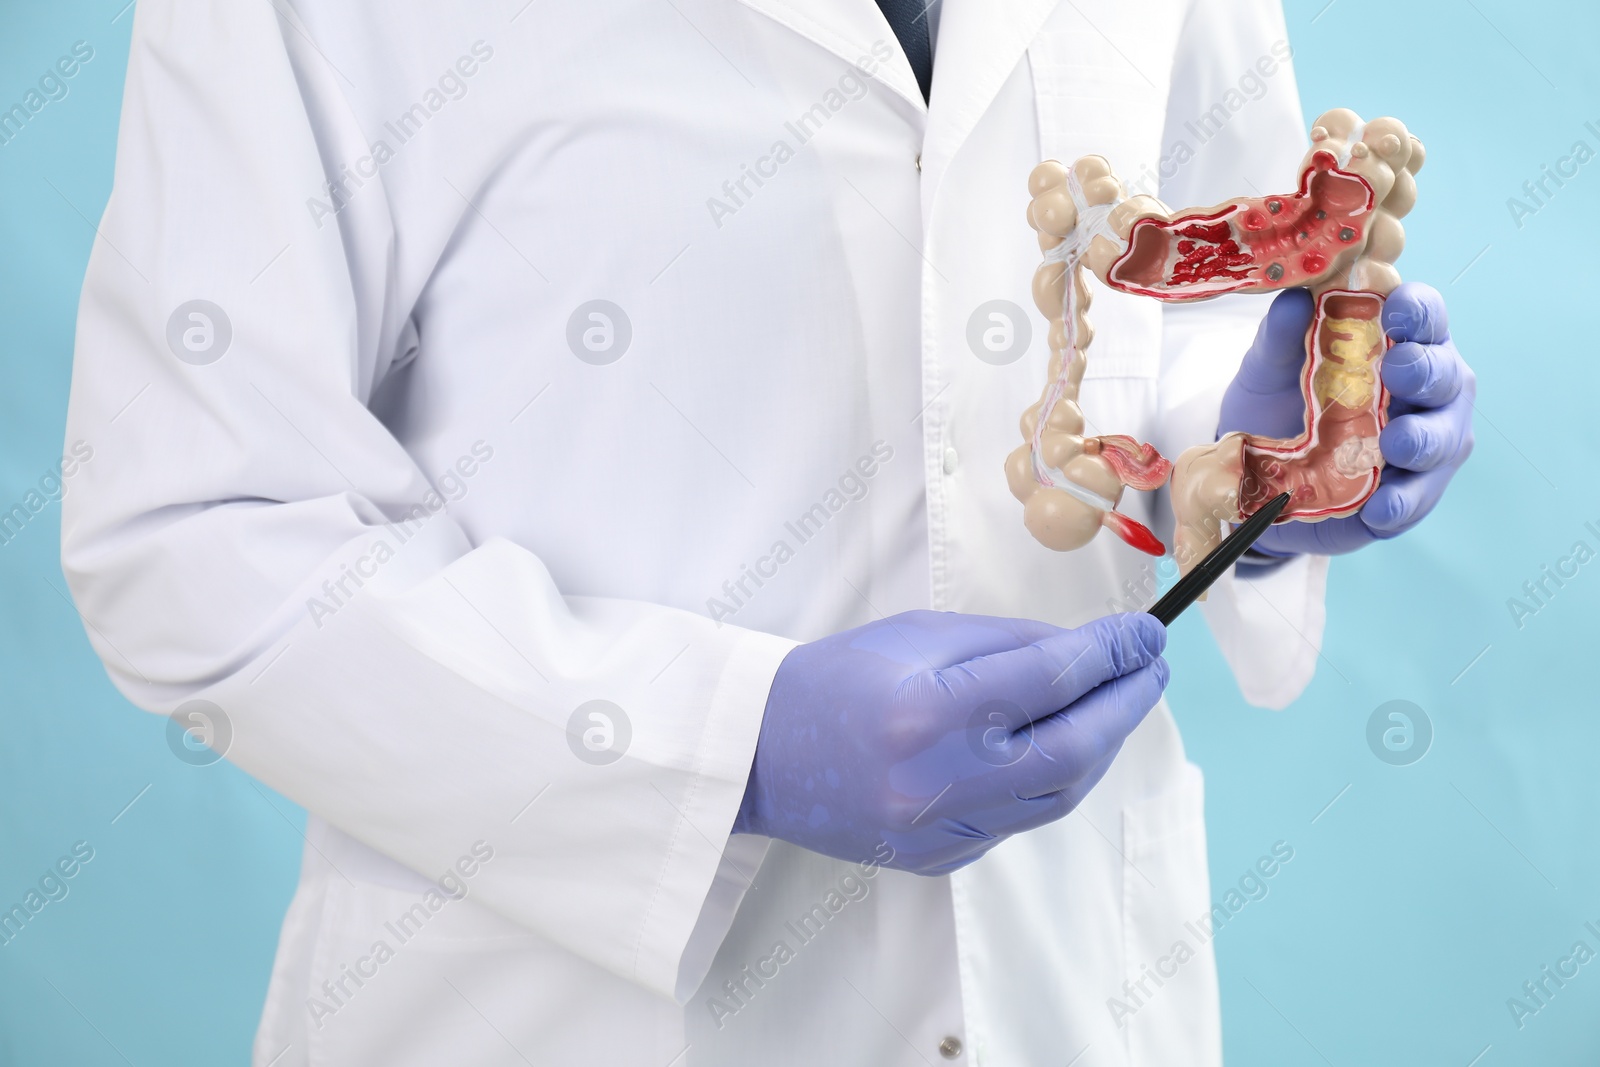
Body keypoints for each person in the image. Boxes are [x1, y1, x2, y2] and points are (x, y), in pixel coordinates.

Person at [62, 0, 1471, 1063]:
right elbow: (194, 525)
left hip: (1066, 990)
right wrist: (724, 744)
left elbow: (1183, 268)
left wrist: (1241, 472)